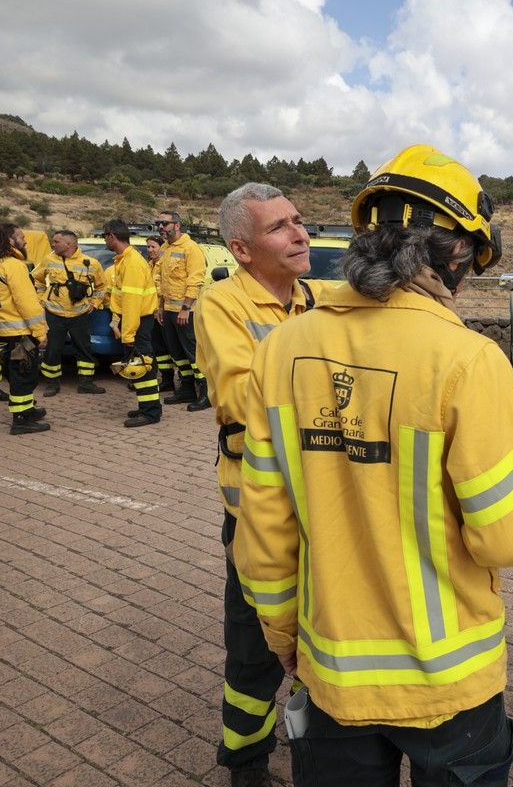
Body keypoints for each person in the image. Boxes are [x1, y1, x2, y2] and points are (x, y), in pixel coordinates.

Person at [235, 145, 513, 787]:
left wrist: (283, 638)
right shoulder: (466, 360)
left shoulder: (282, 351)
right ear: (457, 253)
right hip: (449, 683)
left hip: (331, 673)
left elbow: (264, 534)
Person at [194, 183, 324, 787]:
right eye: (279, 227)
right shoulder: (221, 306)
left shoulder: (322, 298)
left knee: (325, 636)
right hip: (258, 512)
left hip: (323, 508)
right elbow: (242, 398)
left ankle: (319, 745)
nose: (299, 234)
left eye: (299, 221)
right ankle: (244, 761)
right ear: (243, 249)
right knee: (252, 654)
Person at [0, 223, 51, 435]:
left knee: (16, 374)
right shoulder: (14, 265)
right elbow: (27, 303)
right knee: (24, 376)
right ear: (10, 240)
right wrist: (40, 333)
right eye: (21, 237)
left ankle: (27, 410)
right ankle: (20, 420)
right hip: (20, 334)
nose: (25, 241)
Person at [104, 220, 163, 427]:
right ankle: (147, 407)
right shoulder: (125, 260)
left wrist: (128, 334)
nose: (105, 240)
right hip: (137, 321)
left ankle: (150, 413)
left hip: (138, 322)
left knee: (143, 366)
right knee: (141, 366)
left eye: (105, 236)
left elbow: (131, 303)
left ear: (112, 236)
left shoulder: (131, 263)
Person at [34, 230, 107, 396]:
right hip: (54, 312)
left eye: (56, 241)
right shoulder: (48, 259)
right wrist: (41, 300)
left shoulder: (92, 263)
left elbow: (102, 287)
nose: (53, 244)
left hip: (80, 314)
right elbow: (37, 280)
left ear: (69, 244)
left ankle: (86, 383)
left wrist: (94, 304)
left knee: (84, 349)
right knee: (53, 349)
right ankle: (52, 384)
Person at [156, 210, 209, 410]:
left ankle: (205, 392)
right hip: (168, 310)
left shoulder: (191, 248)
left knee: (193, 354)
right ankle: (186, 389)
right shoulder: (164, 248)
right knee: (176, 353)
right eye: (158, 223)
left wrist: (186, 308)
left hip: (186, 311)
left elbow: (195, 280)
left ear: (177, 225)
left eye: (165, 223)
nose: (160, 227)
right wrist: (160, 307)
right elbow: (161, 279)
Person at [145, 235, 176, 392]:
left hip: (164, 310)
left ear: (161, 248)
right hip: (151, 312)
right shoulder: (148, 265)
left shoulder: (164, 265)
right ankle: (167, 379)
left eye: (153, 247)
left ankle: (187, 383)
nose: (150, 250)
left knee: (171, 347)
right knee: (159, 349)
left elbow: (164, 289)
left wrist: (161, 308)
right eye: (148, 247)